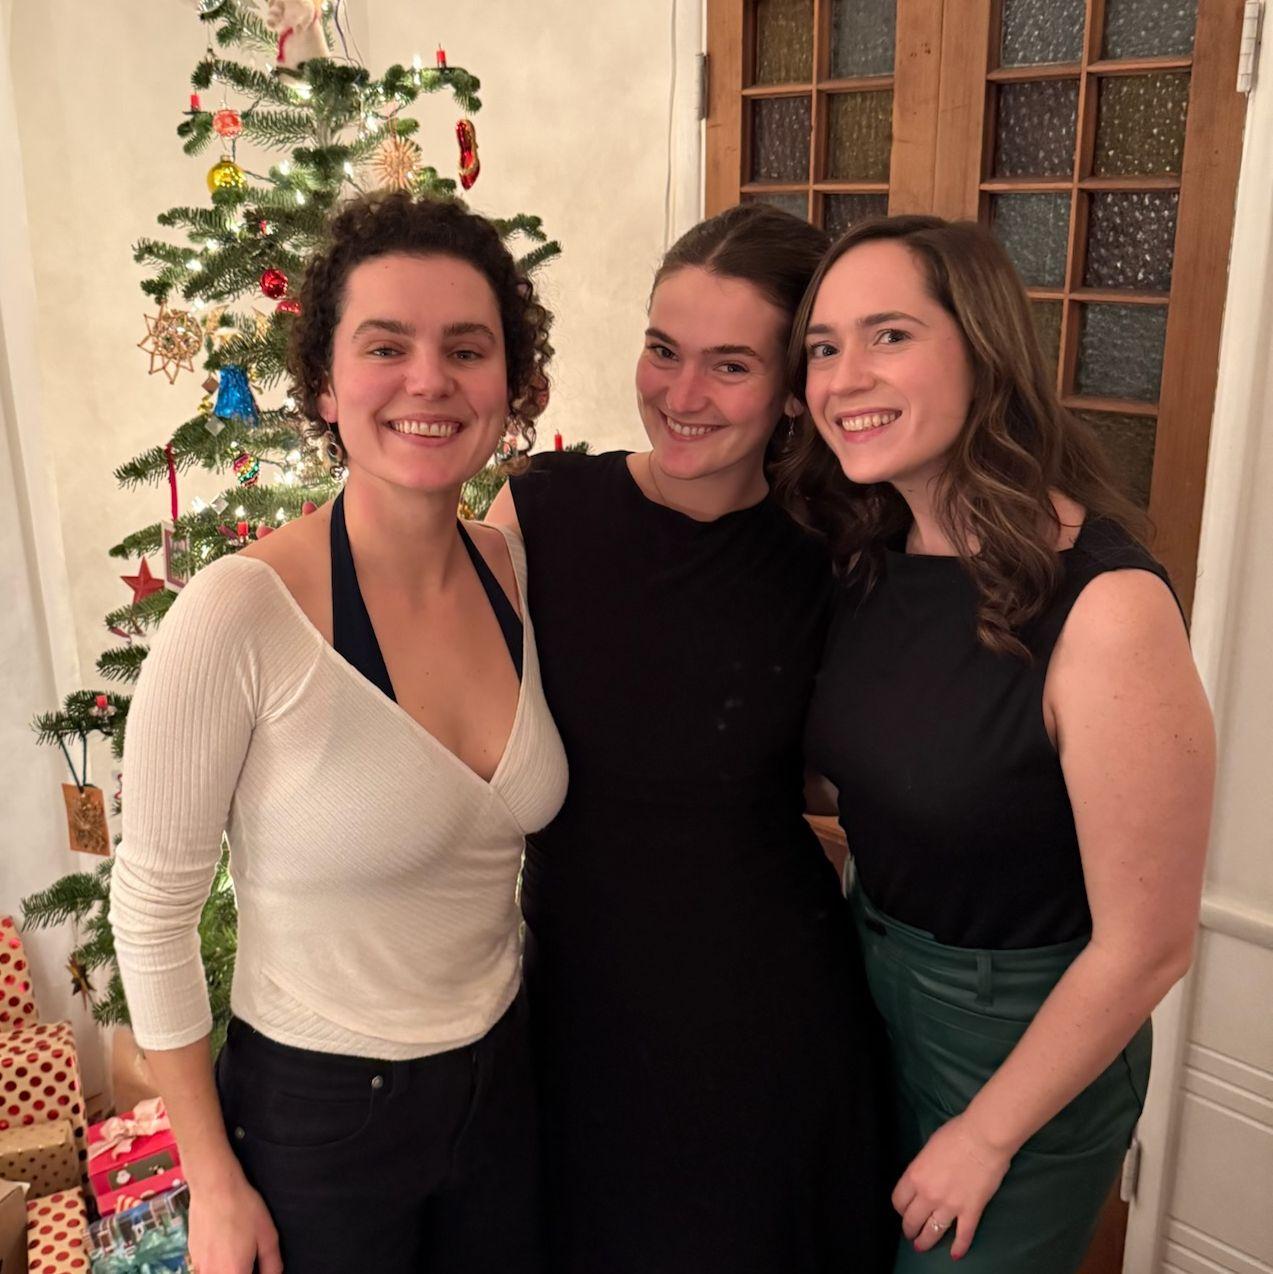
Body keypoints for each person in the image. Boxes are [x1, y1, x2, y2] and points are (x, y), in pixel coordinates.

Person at [109, 192, 568, 1274]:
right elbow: (153, 913)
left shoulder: (512, 567)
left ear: (509, 383)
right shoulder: (238, 612)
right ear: (323, 382)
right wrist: (213, 1181)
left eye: (467, 348)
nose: (429, 380)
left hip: (504, 1083)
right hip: (318, 1121)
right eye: (385, 346)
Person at [780, 214, 1215, 1272]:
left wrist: (984, 1135)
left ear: (982, 350)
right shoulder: (873, 559)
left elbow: (1148, 943)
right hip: (869, 984)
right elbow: (881, 784)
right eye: (824, 346)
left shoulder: (1104, 604)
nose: (844, 377)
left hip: (1021, 1042)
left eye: (889, 335)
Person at [485, 202, 895, 1274]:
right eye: (663, 350)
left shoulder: (833, 555)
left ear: (794, 388)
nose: (680, 394)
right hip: (580, 998)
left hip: (764, 1011)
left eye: (730, 366)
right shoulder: (539, 512)